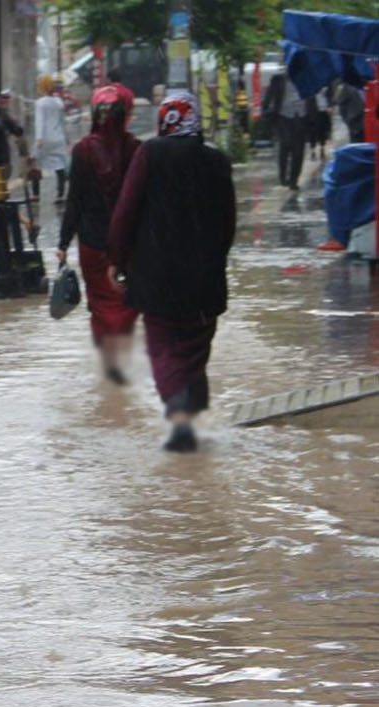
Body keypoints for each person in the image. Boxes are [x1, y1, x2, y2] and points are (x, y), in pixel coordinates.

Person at [108, 90, 236, 453]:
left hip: (156, 275)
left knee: (164, 345)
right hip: (204, 278)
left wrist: (116, 259)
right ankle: (193, 411)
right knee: (195, 346)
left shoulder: (150, 153)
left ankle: (180, 416)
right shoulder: (217, 161)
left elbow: (125, 211)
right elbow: (228, 223)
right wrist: (214, 261)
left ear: (165, 120)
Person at [56, 83, 141, 385]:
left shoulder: (83, 151)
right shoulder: (136, 149)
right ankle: (122, 360)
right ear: (126, 114)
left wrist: (63, 243)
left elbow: (74, 201)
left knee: (100, 304)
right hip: (129, 245)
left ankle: (108, 367)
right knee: (128, 301)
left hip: (92, 244)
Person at [264, 73, 314, 190]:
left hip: (301, 117)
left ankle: (293, 180)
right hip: (283, 117)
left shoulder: (307, 79)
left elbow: (311, 99)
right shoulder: (278, 79)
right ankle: (282, 177)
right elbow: (269, 97)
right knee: (285, 145)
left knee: (298, 151)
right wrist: (266, 110)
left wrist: (312, 117)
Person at [32, 75, 70, 202]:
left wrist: (39, 138)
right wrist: (66, 138)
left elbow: (40, 121)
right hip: (58, 137)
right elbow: (62, 122)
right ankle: (60, 194)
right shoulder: (59, 102)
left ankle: (36, 194)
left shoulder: (40, 103)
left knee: (35, 165)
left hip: (44, 138)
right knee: (59, 165)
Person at [336, 80, 366, 144]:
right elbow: (342, 108)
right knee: (358, 144)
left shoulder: (351, 88)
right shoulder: (348, 89)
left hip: (360, 121)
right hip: (357, 123)